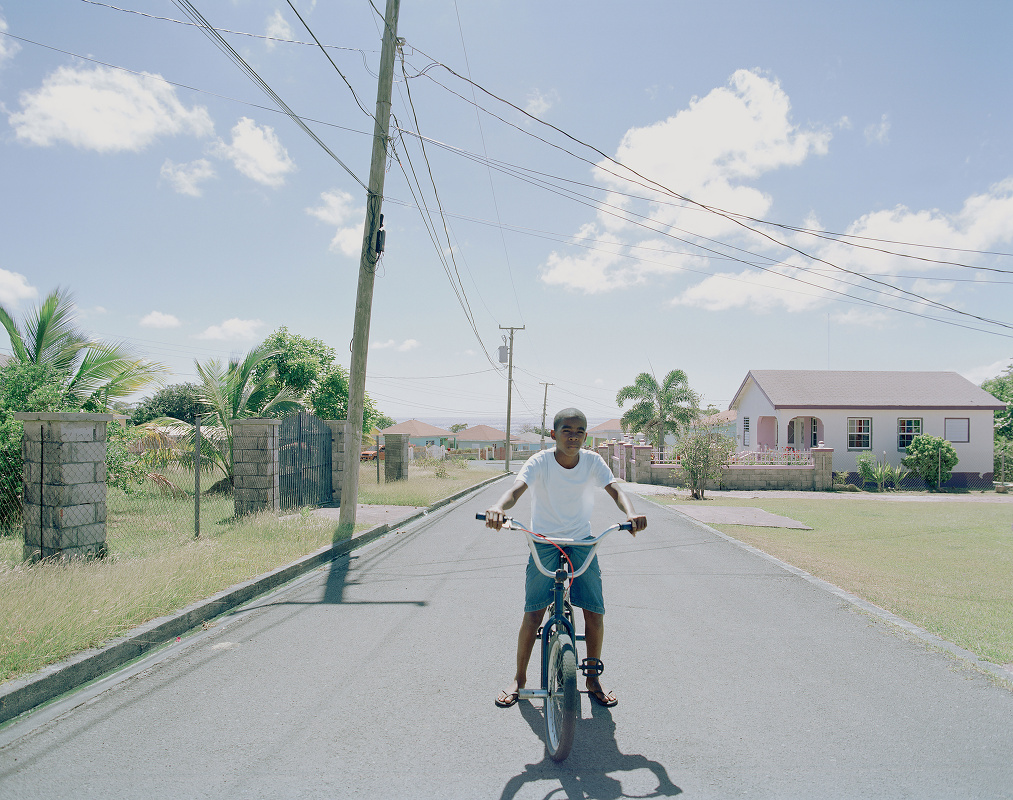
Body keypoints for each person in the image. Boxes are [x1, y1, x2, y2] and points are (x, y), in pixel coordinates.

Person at [484, 407, 647, 708]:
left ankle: (592, 677)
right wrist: (498, 507)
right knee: (533, 613)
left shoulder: (593, 462)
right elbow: (515, 491)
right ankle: (519, 679)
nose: (573, 437)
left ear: (586, 435)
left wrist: (631, 513)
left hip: (582, 541)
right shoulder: (540, 462)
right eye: (566, 431)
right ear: (553, 434)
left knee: (594, 612)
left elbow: (615, 490)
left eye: (579, 431)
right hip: (544, 541)